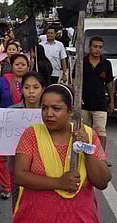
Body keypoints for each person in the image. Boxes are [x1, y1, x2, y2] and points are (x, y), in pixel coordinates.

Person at [13, 84, 111, 222]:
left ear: (70, 111)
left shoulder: (88, 135)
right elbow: (19, 176)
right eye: (44, 108)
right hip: (35, 216)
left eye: (56, 108)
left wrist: (87, 149)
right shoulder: (32, 134)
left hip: (79, 217)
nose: (49, 114)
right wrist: (58, 183)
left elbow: (102, 182)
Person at [0, 54, 29, 199]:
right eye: (17, 64)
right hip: (4, 124)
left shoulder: (32, 81)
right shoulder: (3, 81)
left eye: (23, 64)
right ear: (12, 66)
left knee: (22, 156)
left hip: (26, 125)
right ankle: (6, 186)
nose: (20, 67)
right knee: (2, 157)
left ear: (28, 66)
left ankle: (22, 183)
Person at [8, 71, 47, 210]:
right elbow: (2, 139)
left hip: (46, 170)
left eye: (35, 87)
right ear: (21, 89)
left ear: (43, 89)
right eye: (26, 87)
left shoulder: (50, 113)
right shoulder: (10, 112)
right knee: (19, 207)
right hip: (18, 168)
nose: (31, 92)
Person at [77, 37, 114, 166]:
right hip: (83, 102)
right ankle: (83, 155)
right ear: (89, 47)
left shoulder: (106, 64)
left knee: (100, 130)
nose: (97, 49)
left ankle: (101, 157)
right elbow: (75, 80)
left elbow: (109, 83)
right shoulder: (82, 62)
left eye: (100, 47)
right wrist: (77, 97)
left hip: (100, 102)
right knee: (84, 130)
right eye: (95, 46)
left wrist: (111, 101)